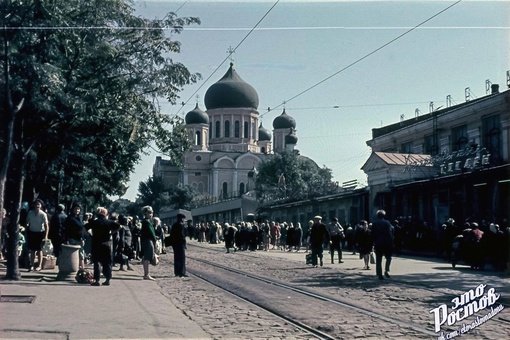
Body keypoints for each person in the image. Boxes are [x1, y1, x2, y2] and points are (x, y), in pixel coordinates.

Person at [85, 207, 121, 286]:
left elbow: (84, 228)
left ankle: (97, 280)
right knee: (107, 262)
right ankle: (107, 279)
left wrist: (90, 235)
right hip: (107, 243)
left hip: (96, 243)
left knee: (97, 262)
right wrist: (111, 233)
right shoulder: (108, 222)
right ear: (105, 214)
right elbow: (119, 227)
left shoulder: (94, 222)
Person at [26, 199, 49, 272]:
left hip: (40, 233)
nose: (37, 206)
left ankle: (39, 266)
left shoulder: (43, 214)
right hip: (32, 232)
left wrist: (46, 236)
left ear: (41, 206)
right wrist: (26, 231)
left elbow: (46, 226)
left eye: (38, 204)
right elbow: (27, 223)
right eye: (36, 204)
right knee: (32, 250)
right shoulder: (30, 213)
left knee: (39, 250)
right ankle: (32, 265)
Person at [371, 210, 394, 280]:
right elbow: (389, 233)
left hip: (378, 243)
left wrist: (373, 242)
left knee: (378, 259)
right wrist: (392, 241)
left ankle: (379, 274)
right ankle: (386, 270)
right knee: (389, 258)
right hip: (387, 243)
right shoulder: (387, 223)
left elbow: (372, 234)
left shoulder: (374, 223)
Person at [64, 203, 86, 269]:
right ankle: (74, 268)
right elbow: (66, 229)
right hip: (72, 239)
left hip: (80, 239)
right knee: (73, 255)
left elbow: (81, 229)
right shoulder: (69, 218)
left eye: (78, 209)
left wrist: (82, 238)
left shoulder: (79, 218)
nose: (77, 210)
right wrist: (67, 239)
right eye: (76, 208)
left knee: (81, 255)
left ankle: (82, 269)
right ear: (73, 209)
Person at [140, 206, 157, 280]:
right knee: (147, 257)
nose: (151, 214)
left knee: (146, 257)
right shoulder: (146, 222)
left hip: (145, 240)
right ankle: (146, 274)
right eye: (149, 213)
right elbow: (152, 233)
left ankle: (146, 273)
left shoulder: (145, 221)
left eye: (152, 213)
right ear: (145, 213)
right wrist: (155, 241)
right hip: (148, 240)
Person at [168, 213, 188, 277]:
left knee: (176, 258)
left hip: (175, 244)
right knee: (182, 258)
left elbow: (171, 235)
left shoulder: (174, 225)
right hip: (180, 243)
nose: (183, 220)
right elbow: (182, 235)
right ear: (181, 219)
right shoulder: (181, 225)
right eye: (183, 218)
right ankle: (182, 272)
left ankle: (176, 272)